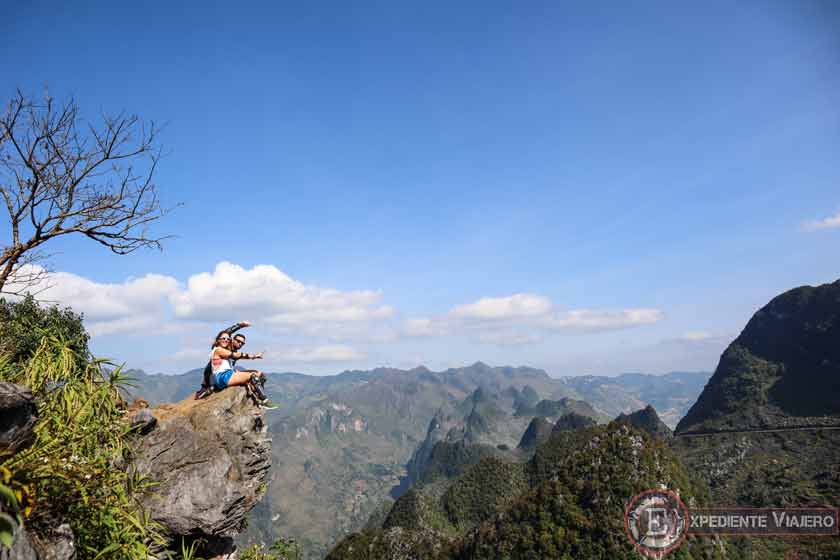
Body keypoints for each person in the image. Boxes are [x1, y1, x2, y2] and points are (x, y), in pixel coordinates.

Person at [194, 320, 250, 399]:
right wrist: (240, 325)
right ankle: (205, 387)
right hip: (212, 375)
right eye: (238, 341)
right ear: (232, 340)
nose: (240, 344)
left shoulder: (235, 352)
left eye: (242, 343)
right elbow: (226, 333)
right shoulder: (225, 346)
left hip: (223, 374)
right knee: (212, 364)